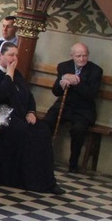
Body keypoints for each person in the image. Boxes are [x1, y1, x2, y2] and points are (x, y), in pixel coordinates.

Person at [0, 41, 60, 193]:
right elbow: (0, 93)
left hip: (19, 115)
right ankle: (21, 179)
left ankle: (45, 181)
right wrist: (9, 74)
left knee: (42, 130)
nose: (14, 59)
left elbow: (29, 95)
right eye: (10, 55)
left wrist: (31, 112)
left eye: (16, 55)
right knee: (24, 132)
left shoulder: (16, 72)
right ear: (0, 55)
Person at [43, 42, 103, 173]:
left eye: (84, 55)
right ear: (72, 55)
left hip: (83, 109)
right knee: (47, 122)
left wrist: (76, 82)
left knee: (78, 129)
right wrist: (63, 80)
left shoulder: (95, 70)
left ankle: (73, 163)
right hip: (64, 105)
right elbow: (56, 92)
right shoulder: (64, 66)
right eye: (78, 56)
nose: (82, 59)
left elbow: (91, 94)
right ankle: (43, 155)